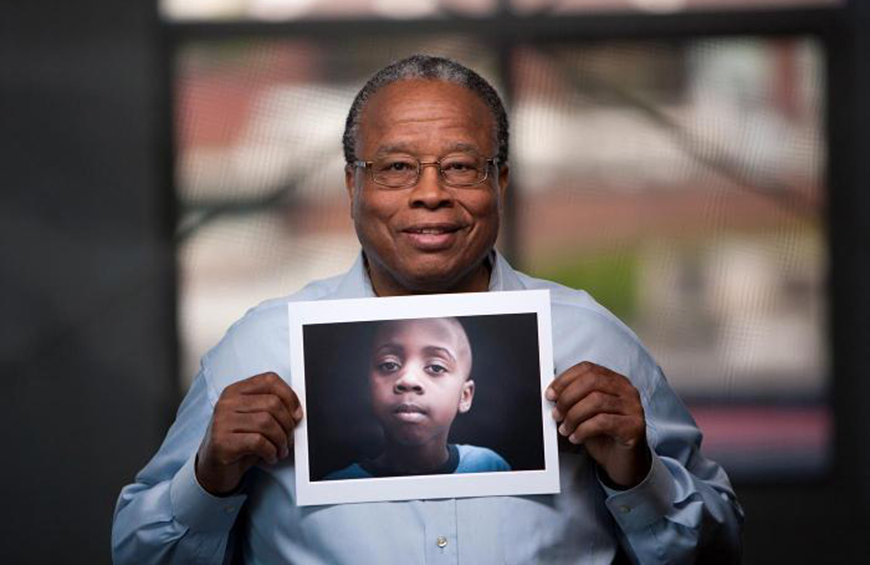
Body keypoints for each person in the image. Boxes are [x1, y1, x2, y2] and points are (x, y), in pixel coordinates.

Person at [112, 54, 743, 563]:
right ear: (353, 184)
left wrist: (637, 474)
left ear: (500, 182)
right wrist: (210, 475)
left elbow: (718, 547)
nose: (431, 194)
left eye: (461, 166)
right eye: (397, 167)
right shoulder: (259, 348)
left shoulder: (592, 340)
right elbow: (138, 552)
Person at [325, 317, 511, 480]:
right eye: (389, 365)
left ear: (465, 396)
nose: (408, 380)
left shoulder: (488, 467)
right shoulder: (338, 487)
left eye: (436, 368)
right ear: (369, 386)